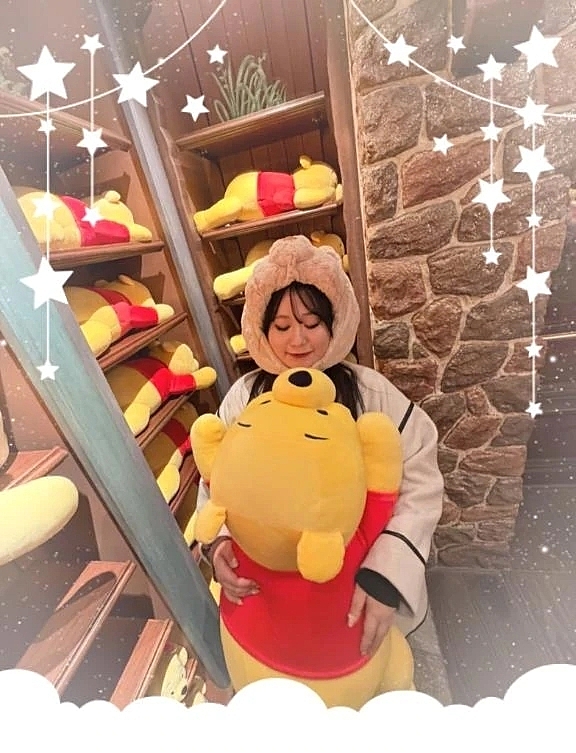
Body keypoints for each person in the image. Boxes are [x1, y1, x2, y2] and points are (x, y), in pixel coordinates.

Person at [197, 234, 443, 657]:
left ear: (335, 323)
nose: (298, 341)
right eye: (282, 327)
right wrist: (218, 543)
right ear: (262, 330)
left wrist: (387, 573)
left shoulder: (371, 392)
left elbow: (420, 479)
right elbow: (215, 478)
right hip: (274, 596)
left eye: (312, 324)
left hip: (355, 589)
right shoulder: (243, 397)